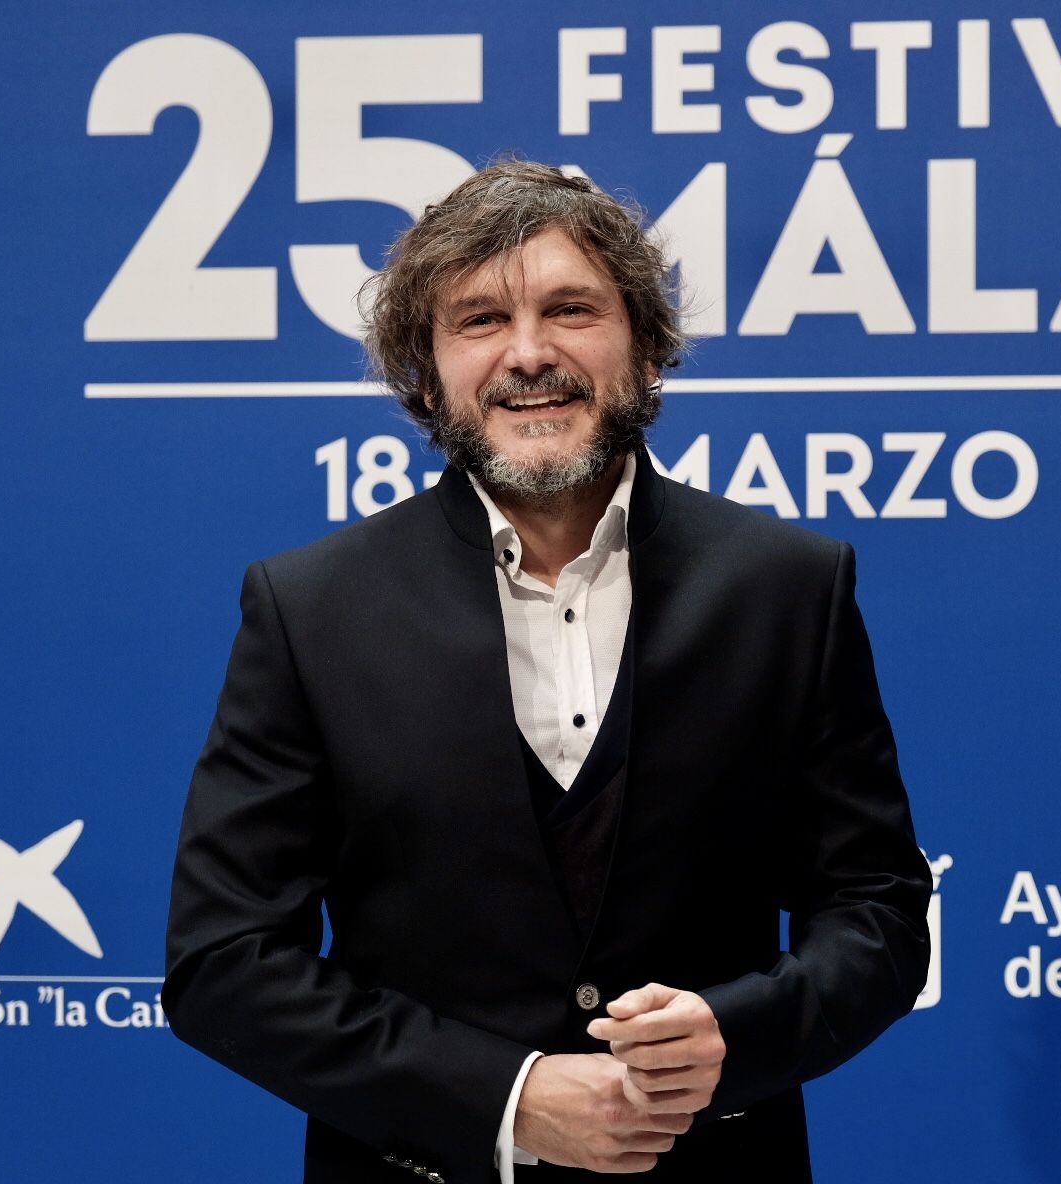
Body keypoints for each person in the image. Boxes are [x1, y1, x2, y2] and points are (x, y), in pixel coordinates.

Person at [164, 158, 931, 1184]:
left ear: (647, 351)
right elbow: (224, 962)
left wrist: (732, 1035)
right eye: (479, 320)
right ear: (426, 379)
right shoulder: (310, 608)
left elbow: (879, 913)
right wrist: (508, 1097)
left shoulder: (790, 587)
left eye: (571, 309)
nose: (530, 353)